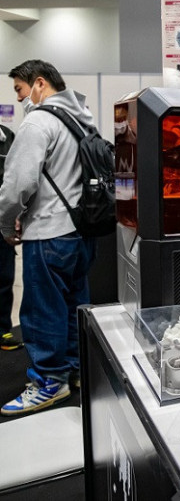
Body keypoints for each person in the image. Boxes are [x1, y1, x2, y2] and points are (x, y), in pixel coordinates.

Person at [0, 60, 97, 416]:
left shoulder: (38, 122)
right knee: (73, 306)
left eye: (20, 89)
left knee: (42, 312)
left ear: (39, 83)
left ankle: (48, 382)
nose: (19, 98)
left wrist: (5, 225)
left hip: (48, 234)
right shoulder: (83, 119)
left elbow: (18, 184)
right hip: (81, 233)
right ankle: (75, 371)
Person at [0, 122, 20, 351]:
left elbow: (15, 178)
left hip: (2, 219)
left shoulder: (7, 136)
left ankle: (2, 330)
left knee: (4, 278)